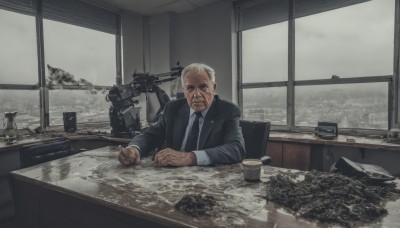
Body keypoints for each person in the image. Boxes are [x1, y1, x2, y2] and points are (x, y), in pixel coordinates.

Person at [118, 63, 245, 167]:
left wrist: (191, 157)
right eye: (190, 88)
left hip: (209, 181)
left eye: (203, 87)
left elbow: (236, 149)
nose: (196, 94)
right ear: (184, 91)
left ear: (214, 88)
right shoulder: (172, 108)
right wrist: (135, 148)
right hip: (174, 179)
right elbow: (150, 136)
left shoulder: (228, 110)